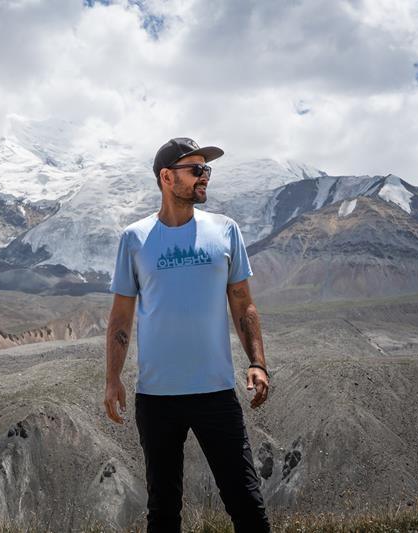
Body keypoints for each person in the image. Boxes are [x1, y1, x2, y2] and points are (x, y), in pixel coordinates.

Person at [104, 137, 271, 532]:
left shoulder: (225, 230)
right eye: (196, 170)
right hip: (156, 398)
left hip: (216, 392)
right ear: (167, 177)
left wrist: (258, 362)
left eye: (206, 169)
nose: (205, 176)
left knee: (247, 504)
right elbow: (121, 317)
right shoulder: (134, 238)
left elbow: (243, 304)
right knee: (163, 513)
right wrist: (112, 379)